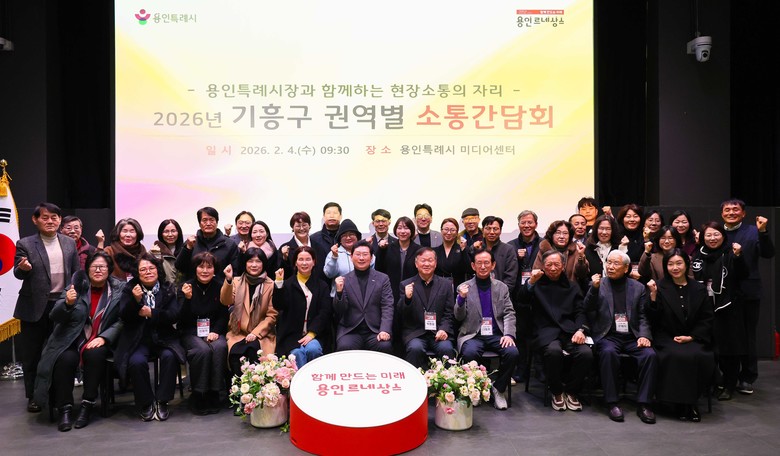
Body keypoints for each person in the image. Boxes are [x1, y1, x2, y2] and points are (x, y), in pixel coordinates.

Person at [33, 251, 123, 431]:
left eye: (102, 267)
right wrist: (67, 303)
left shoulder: (118, 290)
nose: (98, 270)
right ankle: (65, 408)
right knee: (65, 359)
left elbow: (122, 320)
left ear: (109, 269)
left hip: (99, 339)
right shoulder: (75, 287)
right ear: (87, 269)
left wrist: (105, 337)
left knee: (95, 355)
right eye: (94, 266)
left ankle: (87, 405)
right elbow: (54, 315)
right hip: (70, 339)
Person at [13, 202, 80, 412]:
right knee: (32, 355)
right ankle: (33, 396)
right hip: (34, 307)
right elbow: (18, 272)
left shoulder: (69, 243)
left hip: (62, 305)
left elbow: (76, 273)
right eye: (45, 217)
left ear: (59, 220)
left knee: (60, 353)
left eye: (54, 217)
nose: (50, 221)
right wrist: (23, 269)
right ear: (35, 220)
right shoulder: (25, 243)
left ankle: (57, 395)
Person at [584, 250, 657, 424]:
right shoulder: (598, 284)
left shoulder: (638, 287)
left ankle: (644, 403)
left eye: (615, 263)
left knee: (649, 355)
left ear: (626, 268)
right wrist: (594, 289)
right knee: (608, 353)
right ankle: (612, 402)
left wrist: (644, 335)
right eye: (608, 262)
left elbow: (643, 316)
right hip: (608, 335)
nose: (610, 266)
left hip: (632, 336)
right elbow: (587, 308)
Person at [517, 250, 593, 411]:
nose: (553, 268)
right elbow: (521, 300)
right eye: (549, 265)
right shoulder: (536, 283)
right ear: (543, 266)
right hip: (544, 331)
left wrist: (581, 330)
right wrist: (531, 281)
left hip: (569, 331)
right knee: (553, 352)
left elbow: (580, 311)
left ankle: (571, 392)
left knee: (586, 353)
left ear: (563, 266)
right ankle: (557, 392)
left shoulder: (572, 286)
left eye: (557, 264)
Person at [646, 249, 715, 422]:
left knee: (698, 355)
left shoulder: (698, 288)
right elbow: (653, 319)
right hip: (666, 336)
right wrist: (653, 297)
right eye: (670, 264)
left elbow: (707, 317)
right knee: (675, 355)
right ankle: (677, 403)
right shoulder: (659, 287)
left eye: (679, 263)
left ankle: (690, 403)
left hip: (693, 337)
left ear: (686, 264)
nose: (675, 268)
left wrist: (692, 337)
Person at [114, 253, 184, 422]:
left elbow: (174, 315)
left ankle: (162, 401)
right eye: (143, 269)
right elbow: (123, 316)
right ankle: (146, 402)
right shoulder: (130, 288)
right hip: (138, 338)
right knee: (136, 362)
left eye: (151, 268)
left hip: (163, 337)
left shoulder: (167, 288)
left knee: (170, 356)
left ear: (157, 270)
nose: (148, 272)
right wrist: (135, 300)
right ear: (137, 273)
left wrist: (152, 313)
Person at [721, 198, 775, 395]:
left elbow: (768, 253)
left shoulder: (754, 231)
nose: (731, 213)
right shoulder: (716, 232)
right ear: (722, 214)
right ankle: (727, 376)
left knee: (748, 335)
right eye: (727, 210)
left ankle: (747, 377)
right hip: (722, 293)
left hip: (748, 292)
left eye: (736, 210)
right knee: (726, 336)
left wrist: (763, 232)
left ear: (743, 213)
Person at [454, 249, 519, 410]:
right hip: (473, 334)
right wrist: (461, 299)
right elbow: (458, 317)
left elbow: (509, 312)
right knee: (469, 352)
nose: (483, 266)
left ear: (493, 265)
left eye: (486, 263)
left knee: (512, 352)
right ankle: (475, 389)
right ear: (473, 266)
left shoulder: (501, 287)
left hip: (496, 334)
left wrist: (509, 334)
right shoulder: (464, 287)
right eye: (479, 263)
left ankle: (498, 389)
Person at [691, 221, 748, 400]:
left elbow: (743, 274)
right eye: (708, 235)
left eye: (716, 234)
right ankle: (715, 382)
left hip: (728, 307)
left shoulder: (731, 253)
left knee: (729, 349)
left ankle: (729, 385)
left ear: (723, 236)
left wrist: (738, 257)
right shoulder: (698, 255)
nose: (712, 238)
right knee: (710, 348)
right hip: (705, 308)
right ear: (702, 237)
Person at [178, 252, 228, 415]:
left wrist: (215, 331)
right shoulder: (186, 287)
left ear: (215, 269)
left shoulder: (220, 286)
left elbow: (224, 314)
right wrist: (187, 299)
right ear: (195, 268)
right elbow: (180, 318)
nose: (205, 270)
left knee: (220, 347)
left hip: (213, 331)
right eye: (201, 267)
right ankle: (199, 393)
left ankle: (214, 392)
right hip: (190, 331)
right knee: (202, 350)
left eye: (209, 267)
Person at [221, 248, 277, 376]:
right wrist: (228, 280)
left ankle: (255, 388)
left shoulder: (271, 285)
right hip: (238, 332)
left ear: (263, 264)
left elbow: (272, 316)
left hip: (262, 334)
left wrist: (255, 333)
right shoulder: (236, 281)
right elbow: (225, 301)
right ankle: (237, 387)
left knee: (254, 351)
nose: (254, 265)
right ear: (245, 263)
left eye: (258, 261)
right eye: (250, 261)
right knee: (235, 353)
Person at [397, 248, 456, 369]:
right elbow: (401, 314)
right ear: (416, 263)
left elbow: (449, 312)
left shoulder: (446, 284)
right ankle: (415, 379)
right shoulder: (406, 284)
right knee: (415, 348)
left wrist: (444, 329)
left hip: (438, 332)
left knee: (447, 348)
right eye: (423, 260)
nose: (427, 264)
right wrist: (407, 299)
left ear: (435, 263)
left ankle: (448, 380)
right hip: (416, 333)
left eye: (430, 260)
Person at [273, 246, 332, 367]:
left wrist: (312, 333)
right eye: (300, 259)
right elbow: (279, 305)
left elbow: (325, 312)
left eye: (308, 259)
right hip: (291, 336)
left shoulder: (322, 286)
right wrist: (279, 283)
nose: (304, 263)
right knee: (297, 354)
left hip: (315, 334)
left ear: (314, 262)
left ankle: (315, 377)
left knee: (313, 350)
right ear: (295, 262)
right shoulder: (288, 284)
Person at [333, 241, 394, 353]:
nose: (361, 258)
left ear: (371, 257)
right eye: (358, 254)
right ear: (351, 257)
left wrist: (384, 330)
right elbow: (339, 310)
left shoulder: (383, 279)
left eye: (365, 254)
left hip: (375, 330)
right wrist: (339, 292)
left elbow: (387, 306)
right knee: (344, 347)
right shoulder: (344, 280)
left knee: (384, 346)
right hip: (350, 330)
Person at [176, 206, 239, 282]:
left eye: (212, 220)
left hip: (221, 287)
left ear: (217, 222)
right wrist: (187, 248)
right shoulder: (191, 243)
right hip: (193, 288)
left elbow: (235, 272)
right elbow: (180, 267)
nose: (208, 223)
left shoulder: (229, 244)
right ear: (199, 223)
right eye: (204, 220)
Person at [375, 216, 421, 302]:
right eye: (399, 228)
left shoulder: (419, 250)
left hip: (413, 292)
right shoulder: (387, 249)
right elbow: (379, 270)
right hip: (390, 293)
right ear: (395, 230)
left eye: (406, 228)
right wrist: (380, 250)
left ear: (411, 230)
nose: (403, 231)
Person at [532, 220, 589, 285]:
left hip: (571, 289)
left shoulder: (576, 250)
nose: (561, 236)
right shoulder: (544, 249)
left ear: (570, 236)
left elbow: (582, 274)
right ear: (552, 235)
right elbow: (536, 273)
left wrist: (581, 256)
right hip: (546, 289)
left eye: (565, 233)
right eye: (558, 233)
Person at [324, 219, 371, 295]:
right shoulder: (333, 253)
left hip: (362, 296)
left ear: (357, 237)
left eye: (351, 234)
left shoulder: (365, 251)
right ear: (340, 239)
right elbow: (329, 274)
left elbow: (373, 271)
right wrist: (334, 257)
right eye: (344, 235)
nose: (348, 238)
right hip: (340, 296)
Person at [479, 216, 518, 293]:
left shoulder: (508, 249)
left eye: (495, 229)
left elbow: (510, 278)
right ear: (483, 230)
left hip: (501, 295)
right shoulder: (477, 248)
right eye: (488, 228)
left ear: (500, 231)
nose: (492, 232)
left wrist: (500, 293)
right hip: (479, 294)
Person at [310, 202, 343, 285]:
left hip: (343, 283)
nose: (331, 216)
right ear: (324, 216)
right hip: (320, 284)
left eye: (335, 213)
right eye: (328, 213)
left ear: (341, 216)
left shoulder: (347, 238)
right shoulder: (314, 239)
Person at [433, 217, 470, 288]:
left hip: (458, 287)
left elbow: (469, 269)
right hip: (439, 287)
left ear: (457, 233)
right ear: (441, 231)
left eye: (452, 230)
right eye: (446, 229)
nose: (449, 233)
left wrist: (463, 251)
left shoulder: (463, 249)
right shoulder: (435, 251)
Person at [279, 211, 313, 276]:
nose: (302, 228)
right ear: (292, 227)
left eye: (304, 225)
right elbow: (282, 274)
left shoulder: (318, 246)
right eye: (298, 226)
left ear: (309, 225)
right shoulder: (285, 249)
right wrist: (285, 258)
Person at [616, 203, 645, 277]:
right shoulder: (616, 237)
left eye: (635, 216)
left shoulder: (645, 236)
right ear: (622, 219)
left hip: (643, 276)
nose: (632, 220)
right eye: (628, 216)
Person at [152, 219, 183, 285]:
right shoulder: (154, 251)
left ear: (178, 232)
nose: (170, 234)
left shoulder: (186, 250)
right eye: (166, 232)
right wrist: (157, 256)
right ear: (161, 234)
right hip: (165, 289)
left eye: (173, 231)